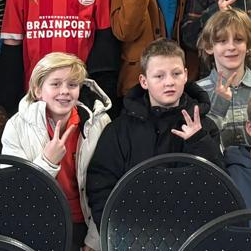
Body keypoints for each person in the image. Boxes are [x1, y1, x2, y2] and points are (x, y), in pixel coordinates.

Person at [2, 52, 111, 251]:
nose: (65, 91)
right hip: (37, 223)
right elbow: (14, 190)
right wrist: (47, 162)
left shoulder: (98, 123)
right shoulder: (17, 125)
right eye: (56, 84)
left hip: (81, 224)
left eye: (72, 85)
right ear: (39, 89)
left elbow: (106, 182)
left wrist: (95, 237)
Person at [84, 40, 221, 225]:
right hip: (133, 235)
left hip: (191, 234)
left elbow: (219, 186)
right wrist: (117, 232)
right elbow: (101, 184)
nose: (169, 82)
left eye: (176, 74)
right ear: (144, 81)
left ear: (186, 75)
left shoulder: (204, 127)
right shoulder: (119, 130)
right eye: (159, 76)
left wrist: (199, 141)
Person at [196, 9, 251, 149]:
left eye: (239, 40)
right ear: (209, 47)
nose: (231, 47)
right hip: (214, 169)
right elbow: (197, 144)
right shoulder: (196, 92)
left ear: (249, 45)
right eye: (222, 41)